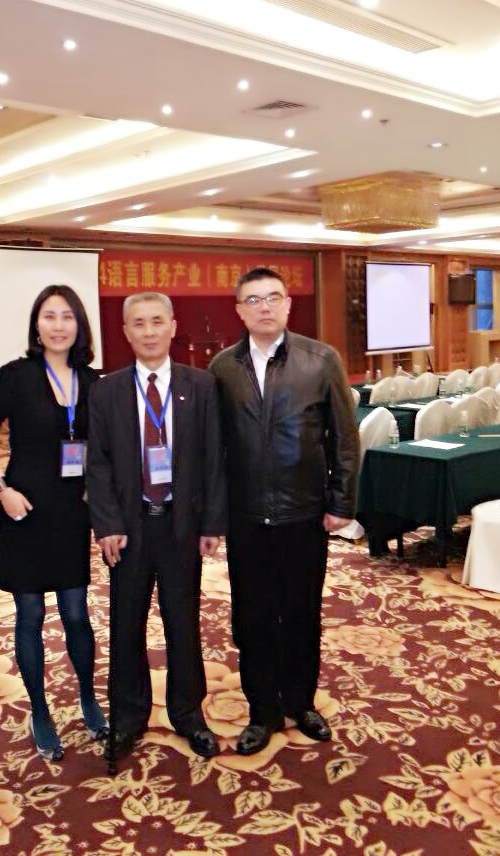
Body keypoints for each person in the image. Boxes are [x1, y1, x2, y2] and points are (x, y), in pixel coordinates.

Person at [210, 267, 359, 756]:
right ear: (239, 310)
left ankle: (301, 702)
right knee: (252, 617)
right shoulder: (223, 368)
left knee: (301, 613)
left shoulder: (321, 360)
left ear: (288, 304)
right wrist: (214, 514)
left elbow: (344, 437)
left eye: (273, 297)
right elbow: (215, 449)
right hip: (247, 517)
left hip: (304, 513)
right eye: (253, 300)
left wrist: (341, 501)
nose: (265, 307)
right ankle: (263, 711)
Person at [87, 292, 226, 759]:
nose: (148, 332)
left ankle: (189, 714)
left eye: (156, 322)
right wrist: (107, 524)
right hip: (128, 530)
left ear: (172, 326)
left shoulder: (200, 385)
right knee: (126, 623)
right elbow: (97, 464)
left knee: (183, 622)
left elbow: (213, 458)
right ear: (125, 331)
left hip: (181, 526)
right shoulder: (106, 391)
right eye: (139, 324)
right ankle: (128, 718)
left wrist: (211, 523)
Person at [0, 284, 107, 761]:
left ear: (79, 325)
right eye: (49, 316)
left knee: (76, 613)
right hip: (24, 507)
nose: (58, 325)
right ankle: (41, 710)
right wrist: (1, 488)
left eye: (67, 316)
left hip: (72, 511)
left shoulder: (93, 381)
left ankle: (88, 699)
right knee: (30, 615)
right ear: (36, 324)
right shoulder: (16, 376)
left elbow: (103, 445)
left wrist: (97, 486)